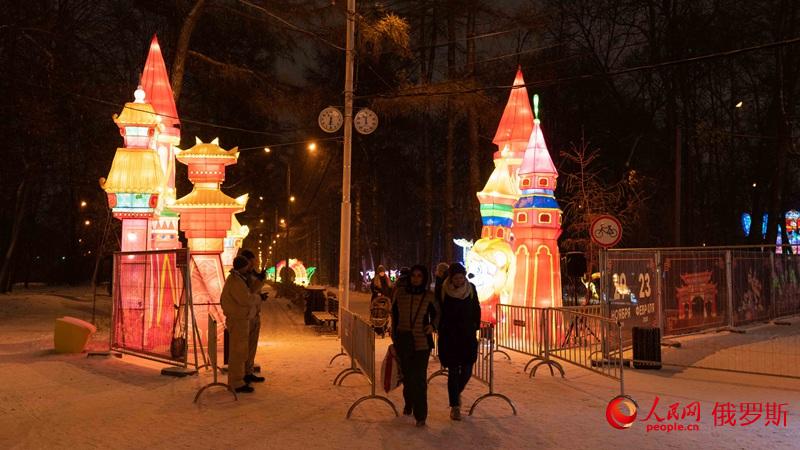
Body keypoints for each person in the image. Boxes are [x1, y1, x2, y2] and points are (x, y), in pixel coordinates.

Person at [391, 264, 437, 427]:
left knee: (419, 379)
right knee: (408, 377)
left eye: (419, 276)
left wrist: (433, 326)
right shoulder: (400, 294)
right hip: (403, 341)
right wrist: (394, 338)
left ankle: (421, 415)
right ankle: (409, 402)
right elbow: (394, 316)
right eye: (413, 276)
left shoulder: (429, 296)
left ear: (424, 278)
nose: (416, 279)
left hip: (422, 343)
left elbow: (438, 315)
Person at [436, 262, 481, 420]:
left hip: (467, 337)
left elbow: (476, 308)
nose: (459, 281)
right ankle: (455, 406)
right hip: (450, 337)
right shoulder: (443, 290)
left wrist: (474, 325)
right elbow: (438, 309)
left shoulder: (471, 289)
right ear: (451, 278)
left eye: (461, 277)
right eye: (456, 278)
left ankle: (456, 393)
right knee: (453, 372)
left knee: (467, 370)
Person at [220, 255, 262, 393]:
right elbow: (245, 299)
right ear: (243, 266)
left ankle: (239, 379)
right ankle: (236, 382)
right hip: (238, 319)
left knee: (241, 350)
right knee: (238, 352)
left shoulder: (237, 279)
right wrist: (258, 298)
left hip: (241, 318)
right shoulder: (236, 281)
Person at [239, 249, 266, 384]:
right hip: (247, 315)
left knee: (252, 345)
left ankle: (248, 371)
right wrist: (260, 282)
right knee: (246, 346)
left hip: (254, 313)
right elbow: (249, 293)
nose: (254, 263)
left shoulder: (250, 274)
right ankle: (244, 373)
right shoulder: (242, 276)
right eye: (252, 260)